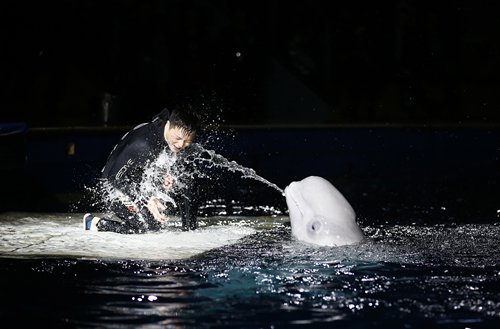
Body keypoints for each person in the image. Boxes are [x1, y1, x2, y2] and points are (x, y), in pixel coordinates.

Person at [83, 104, 202, 233]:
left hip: (135, 180)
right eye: (178, 138)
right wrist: (146, 199)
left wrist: (165, 175)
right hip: (113, 188)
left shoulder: (164, 129)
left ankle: (189, 230)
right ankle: (95, 223)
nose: (181, 145)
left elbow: (153, 164)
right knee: (148, 228)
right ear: (169, 125)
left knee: (186, 179)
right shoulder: (144, 145)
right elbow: (115, 179)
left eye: (187, 142)